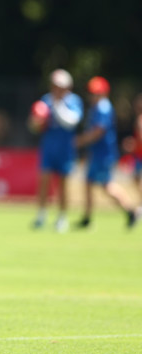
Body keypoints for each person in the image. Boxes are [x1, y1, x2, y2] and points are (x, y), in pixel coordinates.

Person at [75, 76, 138, 229]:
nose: (92, 96)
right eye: (91, 92)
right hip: (97, 153)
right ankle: (87, 217)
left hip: (103, 155)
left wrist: (81, 141)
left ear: (103, 93)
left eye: (96, 93)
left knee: (107, 186)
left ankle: (130, 210)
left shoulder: (103, 108)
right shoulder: (96, 108)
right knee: (89, 183)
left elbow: (98, 132)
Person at [29, 69, 83, 233]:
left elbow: (71, 122)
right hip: (49, 147)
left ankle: (62, 218)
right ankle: (41, 215)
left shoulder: (74, 101)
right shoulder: (45, 100)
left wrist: (58, 105)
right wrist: (36, 121)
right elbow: (34, 126)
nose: (56, 89)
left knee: (63, 184)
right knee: (44, 181)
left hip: (65, 149)